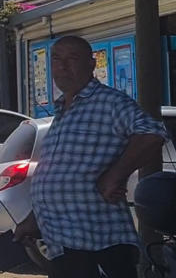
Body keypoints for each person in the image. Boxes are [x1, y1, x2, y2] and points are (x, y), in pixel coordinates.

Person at [14, 35, 168, 278]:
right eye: (56, 59)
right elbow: (57, 175)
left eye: (72, 58)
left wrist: (116, 175)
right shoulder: (62, 109)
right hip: (63, 244)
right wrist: (33, 219)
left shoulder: (109, 102)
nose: (62, 66)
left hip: (98, 244)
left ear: (91, 64)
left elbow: (153, 133)